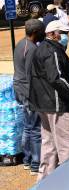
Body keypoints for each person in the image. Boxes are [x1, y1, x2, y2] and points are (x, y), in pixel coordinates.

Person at [29, 20, 69, 180]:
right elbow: (56, 78)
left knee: (50, 147)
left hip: (45, 105)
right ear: (52, 34)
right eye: (63, 33)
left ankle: (45, 183)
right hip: (58, 106)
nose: (66, 36)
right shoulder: (51, 51)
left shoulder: (43, 48)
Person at [13, 19, 45, 176]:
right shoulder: (32, 49)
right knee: (36, 129)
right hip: (27, 92)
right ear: (35, 33)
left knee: (27, 126)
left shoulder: (20, 43)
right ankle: (35, 163)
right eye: (41, 32)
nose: (43, 34)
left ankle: (26, 160)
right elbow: (30, 75)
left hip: (18, 88)